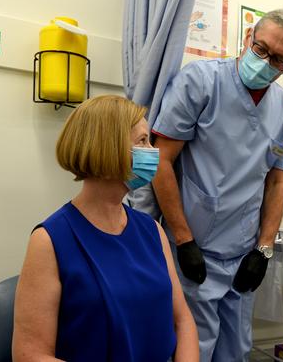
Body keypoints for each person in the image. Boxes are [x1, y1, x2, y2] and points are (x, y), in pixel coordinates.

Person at [133, 9, 283, 362]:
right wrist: (182, 239)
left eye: (277, 60)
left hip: (242, 253)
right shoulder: (200, 82)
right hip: (193, 249)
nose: (265, 61)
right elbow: (162, 161)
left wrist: (264, 249)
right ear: (247, 37)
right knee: (192, 349)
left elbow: (276, 181)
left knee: (236, 351)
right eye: (260, 49)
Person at [12, 95, 198, 361]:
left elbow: (182, 320)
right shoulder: (50, 241)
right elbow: (28, 354)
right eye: (142, 141)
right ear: (108, 147)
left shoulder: (151, 231)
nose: (153, 151)